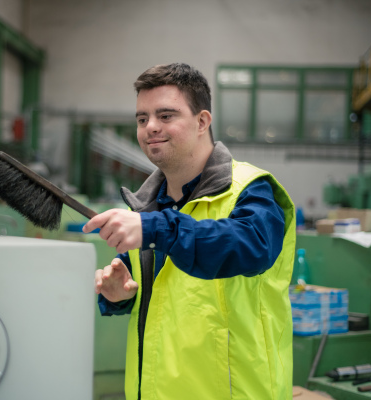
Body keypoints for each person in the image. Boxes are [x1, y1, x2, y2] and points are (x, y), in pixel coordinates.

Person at [83, 63, 296, 400]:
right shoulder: (147, 207)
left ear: (202, 122)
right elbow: (165, 297)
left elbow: (251, 247)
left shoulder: (250, 190)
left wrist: (156, 227)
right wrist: (121, 296)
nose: (151, 127)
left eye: (166, 115)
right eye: (142, 118)